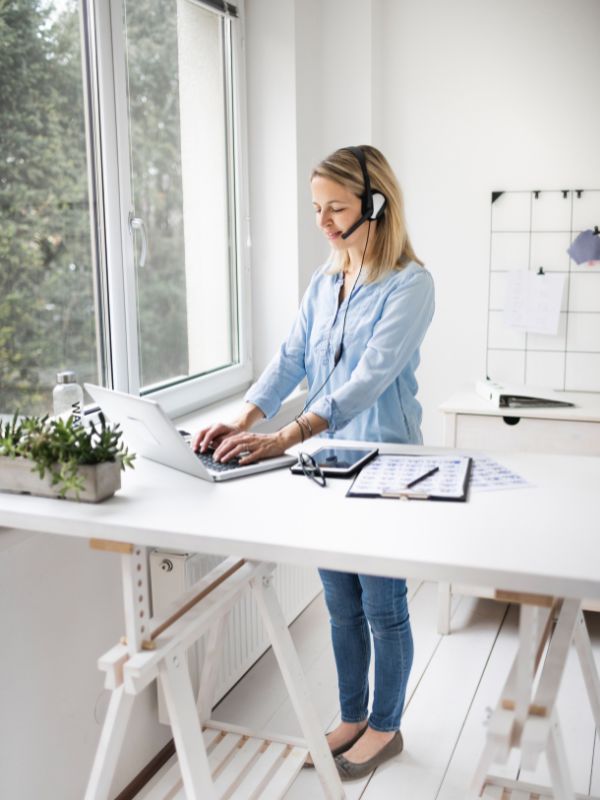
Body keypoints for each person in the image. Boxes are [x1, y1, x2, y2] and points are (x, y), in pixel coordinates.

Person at [193, 145, 435, 780]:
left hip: (384, 465)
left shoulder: (410, 285)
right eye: (316, 209)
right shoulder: (324, 282)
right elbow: (293, 356)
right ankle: (351, 716)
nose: (324, 221)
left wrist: (288, 434)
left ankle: (386, 728)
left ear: (375, 205)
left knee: (384, 606)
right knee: (340, 602)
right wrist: (245, 417)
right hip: (325, 463)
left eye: (336, 208)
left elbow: (368, 378)